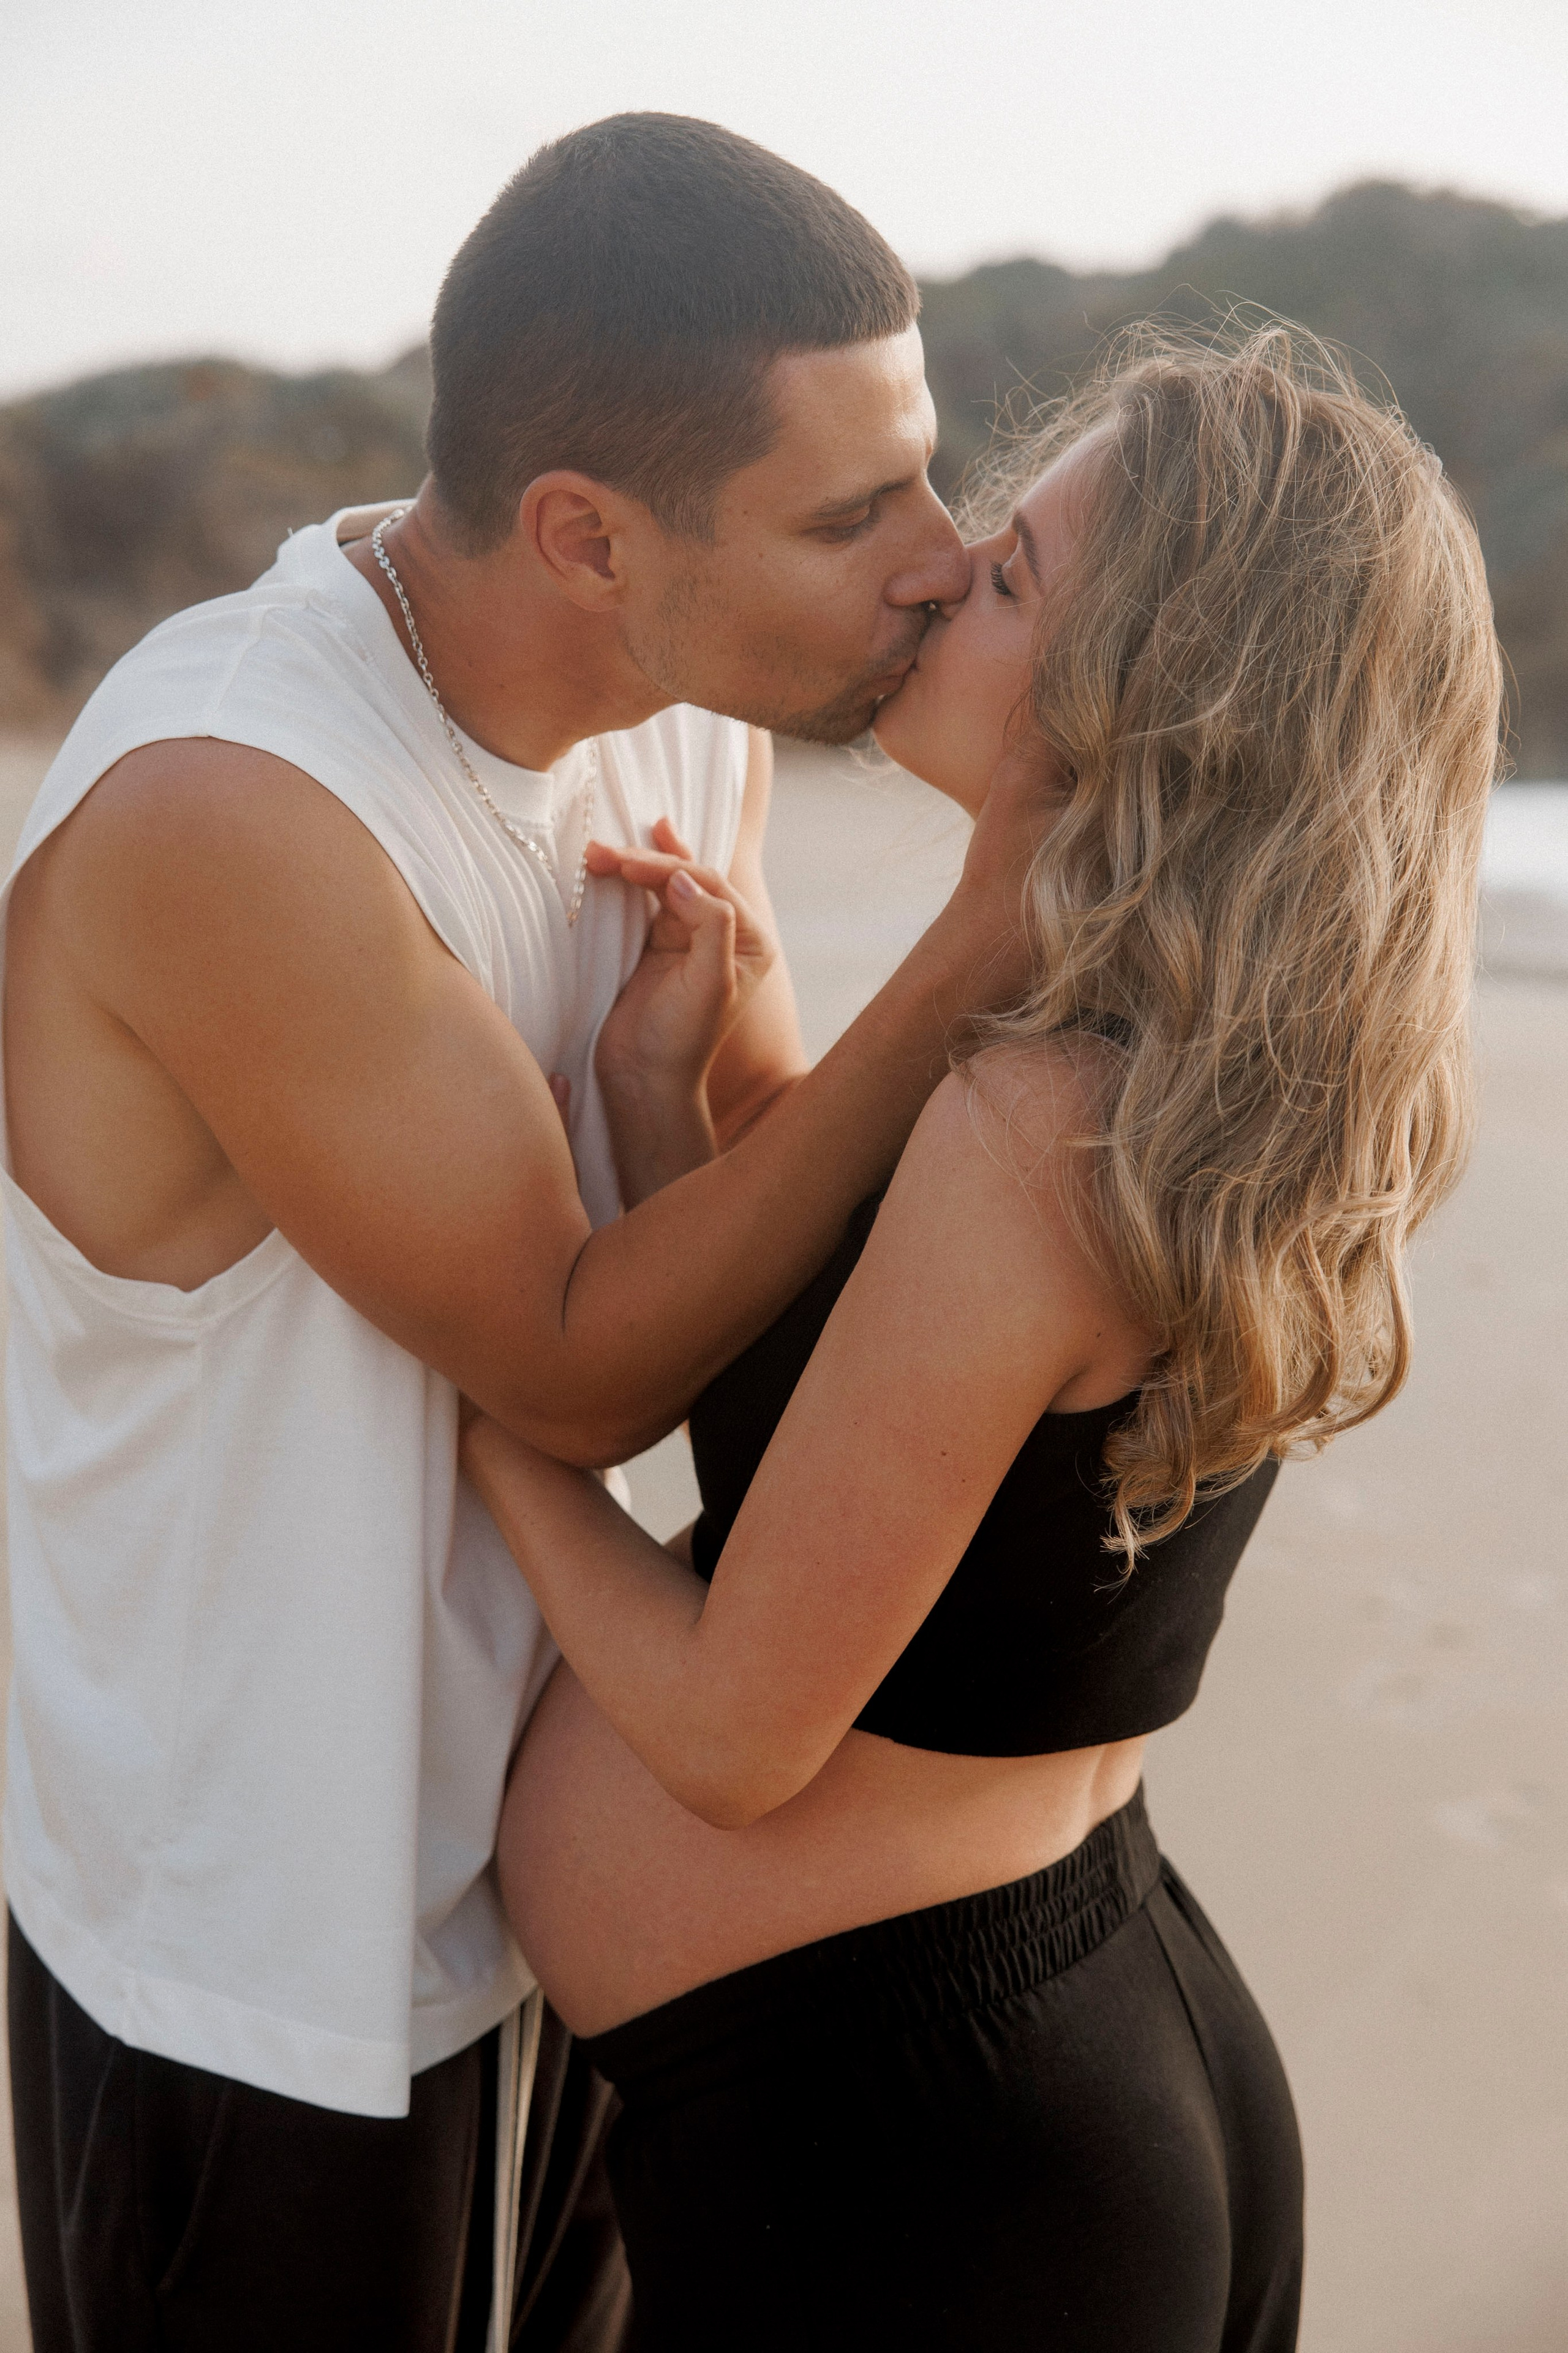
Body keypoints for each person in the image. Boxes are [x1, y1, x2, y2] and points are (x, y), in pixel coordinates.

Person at [0, 115, 1038, 2351]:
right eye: (856, 512)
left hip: (557, 1889)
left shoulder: (683, 727)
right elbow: (575, 1360)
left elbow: (763, 1174)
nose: (943, 561)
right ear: (585, 533)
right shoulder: (241, 806)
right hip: (264, 1956)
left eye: (932, 482)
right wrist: (970, 958)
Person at [463, 323, 1505, 2351]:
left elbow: (736, 1727)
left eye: (1013, 572)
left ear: (1156, 705)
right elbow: (869, 1493)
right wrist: (667, 1109)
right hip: (1038, 2063)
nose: (943, 574)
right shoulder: (1186, 1069)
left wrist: (496, 1401)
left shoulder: (1046, 1121)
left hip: (932, 2179)